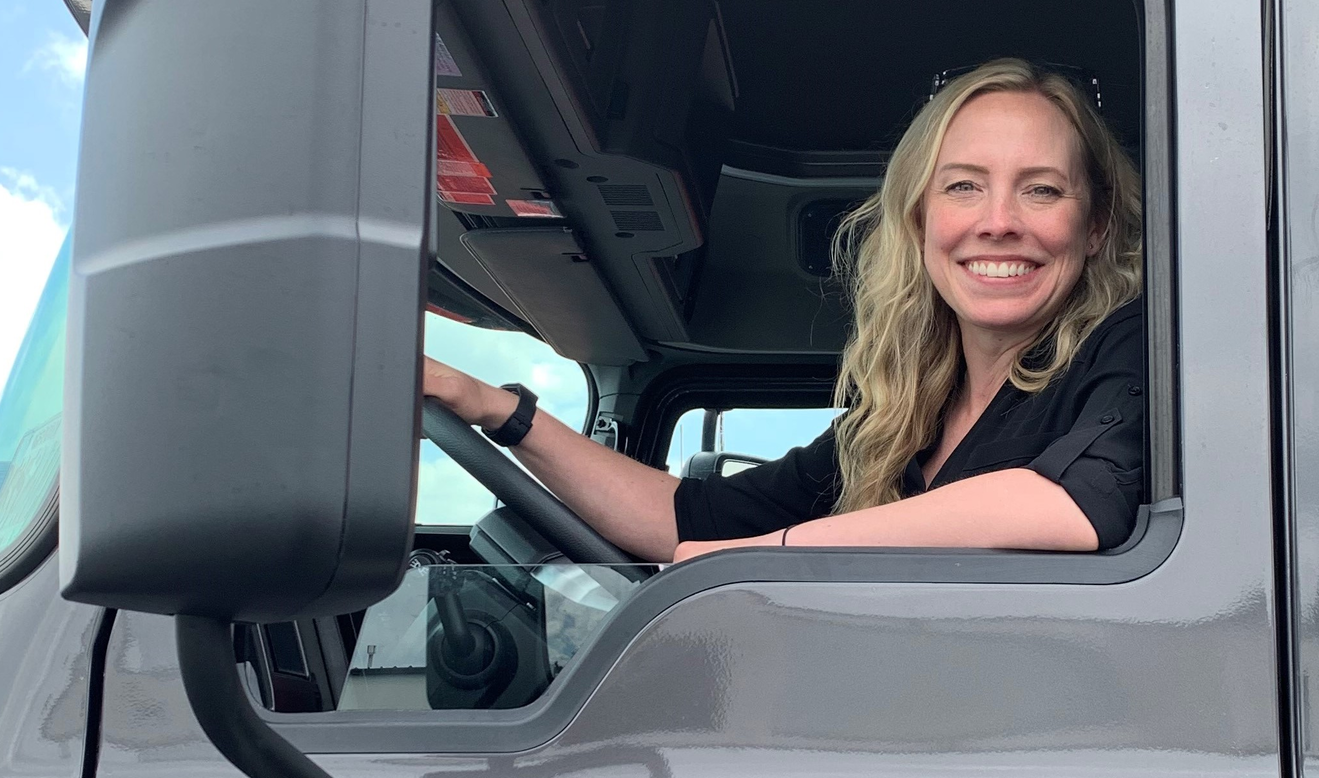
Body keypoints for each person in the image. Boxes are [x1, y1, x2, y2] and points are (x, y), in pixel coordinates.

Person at [422, 58, 1147, 562]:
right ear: (920, 219)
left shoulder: (1132, 347)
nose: (999, 222)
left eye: (1042, 190)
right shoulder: (898, 422)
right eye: (963, 186)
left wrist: (769, 557)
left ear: (1096, 226)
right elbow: (686, 520)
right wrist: (496, 409)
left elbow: (1077, 503)